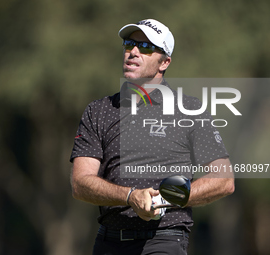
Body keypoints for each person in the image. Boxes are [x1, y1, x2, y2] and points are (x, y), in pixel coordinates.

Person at [70, 18, 234, 255]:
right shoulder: (99, 110)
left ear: (164, 62)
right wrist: (130, 196)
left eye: (145, 47)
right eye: (129, 44)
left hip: (164, 239)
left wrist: (166, 200)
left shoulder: (189, 109)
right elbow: (80, 183)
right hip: (109, 241)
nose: (133, 52)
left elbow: (224, 180)